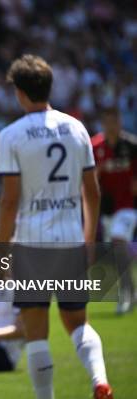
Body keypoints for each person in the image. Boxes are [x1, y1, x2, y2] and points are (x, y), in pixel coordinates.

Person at [0, 54, 113, 399]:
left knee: (36, 332)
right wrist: (89, 238)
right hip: (69, 239)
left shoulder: (11, 135)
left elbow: (10, 200)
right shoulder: (77, 128)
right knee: (78, 323)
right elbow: (92, 191)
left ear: (19, 92)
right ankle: (101, 380)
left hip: (32, 244)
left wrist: (3, 251)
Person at [90, 106, 136, 314]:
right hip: (107, 209)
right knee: (117, 253)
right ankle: (131, 291)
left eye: (114, 122)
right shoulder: (95, 147)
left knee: (118, 241)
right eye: (107, 122)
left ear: (120, 122)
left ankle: (125, 294)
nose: (111, 126)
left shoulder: (132, 146)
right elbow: (88, 179)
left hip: (128, 206)